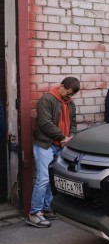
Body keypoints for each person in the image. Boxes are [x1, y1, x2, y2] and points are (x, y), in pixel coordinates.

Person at [28, 76, 80, 228]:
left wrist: (71, 137)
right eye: (68, 93)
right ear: (62, 86)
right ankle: (34, 213)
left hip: (60, 145)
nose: (69, 96)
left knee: (52, 179)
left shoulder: (70, 103)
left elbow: (74, 123)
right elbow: (45, 123)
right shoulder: (47, 100)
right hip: (45, 145)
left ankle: (46, 209)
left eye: (72, 95)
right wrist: (63, 137)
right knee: (43, 179)